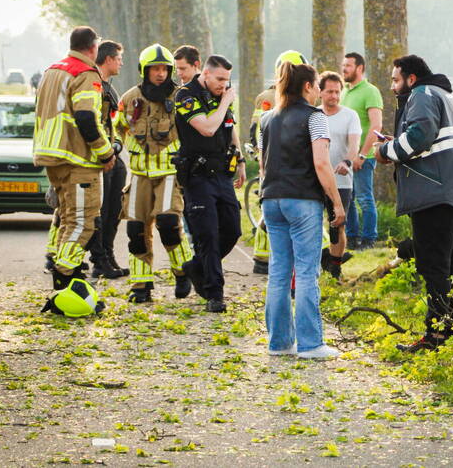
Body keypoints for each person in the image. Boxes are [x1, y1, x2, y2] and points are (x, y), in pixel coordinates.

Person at [376, 55, 453, 353]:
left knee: (433, 267)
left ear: (411, 79)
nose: (393, 87)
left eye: (396, 80)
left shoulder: (421, 94)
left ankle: (435, 336)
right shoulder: (445, 94)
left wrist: (386, 150)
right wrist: (397, 141)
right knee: (452, 266)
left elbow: (420, 137)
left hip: (434, 195)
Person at [260, 61, 346, 359]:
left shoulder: (267, 119)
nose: (321, 92)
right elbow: (321, 163)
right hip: (302, 200)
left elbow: (263, 164)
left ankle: (279, 343)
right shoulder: (315, 117)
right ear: (309, 87)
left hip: (271, 199)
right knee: (307, 271)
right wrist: (336, 201)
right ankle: (311, 344)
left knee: (279, 272)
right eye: (318, 86)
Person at [33, 26, 116, 303]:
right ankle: (65, 274)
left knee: (68, 219)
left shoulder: (51, 71)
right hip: (78, 159)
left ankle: (65, 285)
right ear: (93, 48)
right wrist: (106, 154)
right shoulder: (85, 74)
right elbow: (86, 119)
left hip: (52, 156)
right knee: (84, 222)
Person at [114, 44, 194, 303]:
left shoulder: (181, 97)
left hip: (170, 173)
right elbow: (117, 127)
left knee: (169, 225)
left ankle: (183, 272)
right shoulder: (129, 98)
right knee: (135, 231)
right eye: (154, 69)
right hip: (139, 175)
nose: (160, 74)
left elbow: (195, 130)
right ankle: (141, 285)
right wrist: (115, 144)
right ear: (143, 70)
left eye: (164, 69)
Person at [175, 55, 244, 313]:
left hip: (221, 173)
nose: (224, 84)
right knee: (208, 236)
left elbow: (228, 127)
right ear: (205, 73)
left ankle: (196, 267)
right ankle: (215, 294)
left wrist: (239, 160)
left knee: (233, 229)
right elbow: (207, 128)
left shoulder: (221, 95)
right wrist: (225, 101)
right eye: (219, 79)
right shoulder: (185, 95)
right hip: (198, 174)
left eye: (227, 80)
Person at [250, 50, 308, 274]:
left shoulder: (291, 97)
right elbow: (259, 129)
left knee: (274, 207)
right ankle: (262, 259)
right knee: (276, 208)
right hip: (276, 159)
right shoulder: (268, 98)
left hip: (277, 159)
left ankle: (262, 259)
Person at [85, 40, 130, 279]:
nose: (122, 62)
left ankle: (109, 255)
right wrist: (105, 151)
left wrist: (117, 145)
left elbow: (113, 123)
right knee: (99, 212)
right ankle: (99, 261)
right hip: (97, 159)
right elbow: (92, 121)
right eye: (119, 58)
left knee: (115, 210)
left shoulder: (109, 88)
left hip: (113, 155)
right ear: (109, 59)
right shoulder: (91, 84)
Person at [317, 71, 360, 279]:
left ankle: (335, 267)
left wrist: (347, 161)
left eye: (337, 92)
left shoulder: (350, 116)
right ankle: (314, 265)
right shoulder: (313, 115)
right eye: (329, 92)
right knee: (313, 224)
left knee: (337, 225)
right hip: (316, 180)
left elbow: (354, 146)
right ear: (320, 92)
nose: (333, 96)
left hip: (342, 180)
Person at [340, 52, 384, 249]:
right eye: (343, 65)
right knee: (347, 198)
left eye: (348, 65)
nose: (344, 69)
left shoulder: (370, 91)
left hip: (363, 157)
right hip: (346, 157)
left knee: (364, 198)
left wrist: (362, 155)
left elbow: (376, 126)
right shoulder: (344, 92)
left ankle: (368, 239)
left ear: (360, 68)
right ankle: (351, 238)